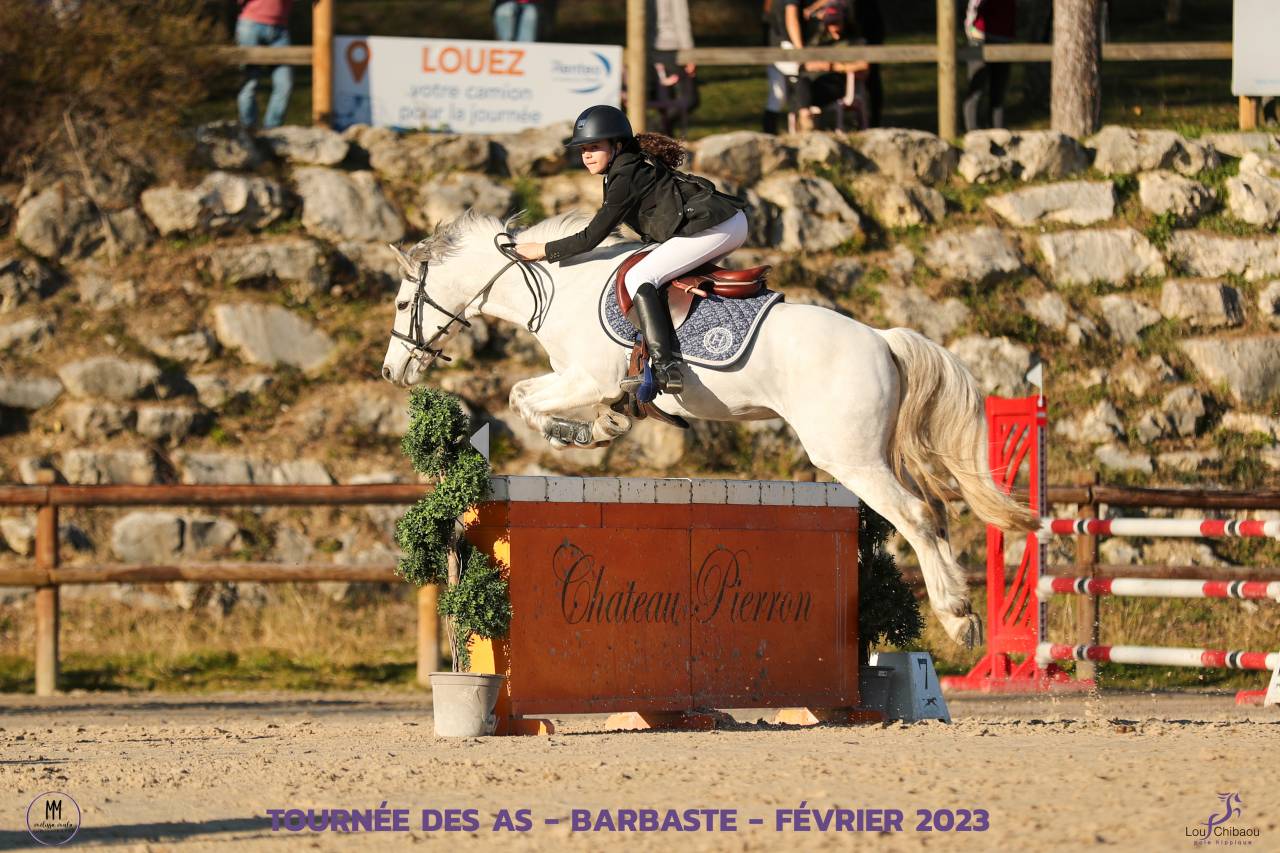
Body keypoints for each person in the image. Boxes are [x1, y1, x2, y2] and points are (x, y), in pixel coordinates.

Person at [514, 106, 750, 396]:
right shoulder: (623, 166)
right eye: (583, 149)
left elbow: (591, 238)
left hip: (719, 226)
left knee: (640, 276)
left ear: (616, 146)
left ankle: (666, 367)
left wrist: (543, 249)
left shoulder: (625, 174)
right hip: (713, 223)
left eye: (594, 147)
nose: (586, 155)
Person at [793, 1, 869, 131]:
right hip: (815, 83)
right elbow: (803, 64)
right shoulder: (820, 40)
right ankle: (806, 120)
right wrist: (811, 65)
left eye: (836, 22)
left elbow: (864, 67)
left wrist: (833, 66)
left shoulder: (854, 42)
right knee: (801, 83)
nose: (833, 26)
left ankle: (806, 125)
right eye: (830, 23)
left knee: (803, 90)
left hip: (837, 84)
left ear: (844, 21)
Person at [236, 0, 294, 130]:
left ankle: (271, 131)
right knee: (250, 83)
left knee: (285, 84)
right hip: (251, 25)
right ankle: (249, 131)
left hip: (280, 29)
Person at [963, 0, 1016, 131]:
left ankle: (998, 133)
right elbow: (974, 5)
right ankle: (972, 132)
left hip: (1004, 37)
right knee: (977, 89)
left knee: (999, 91)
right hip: (980, 37)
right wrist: (970, 29)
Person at [761, 0, 805, 134]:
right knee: (798, 90)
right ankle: (800, 131)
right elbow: (791, 21)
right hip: (787, 48)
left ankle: (770, 134)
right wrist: (801, 51)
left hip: (773, 49)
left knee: (777, 96)